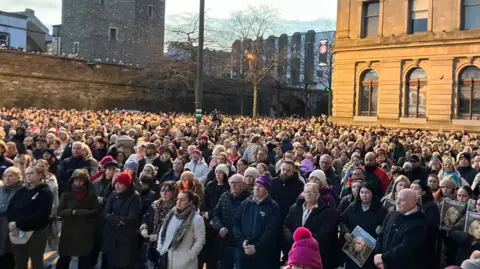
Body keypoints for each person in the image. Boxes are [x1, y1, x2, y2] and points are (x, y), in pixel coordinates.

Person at [7, 166, 53, 269]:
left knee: (36, 261)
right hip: (18, 231)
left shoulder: (45, 192)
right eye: (26, 174)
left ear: (40, 175)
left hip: (36, 232)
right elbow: (11, 208)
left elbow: (41, 215)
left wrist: (18, 223)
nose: (28, 176)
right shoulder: (22, 190)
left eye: (31, 173)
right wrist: (12, 223)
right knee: (19, 261)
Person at [284, 182, 338, 269]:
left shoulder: (326, 211)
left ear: (318, 195)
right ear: (303, 194)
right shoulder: (295, 208)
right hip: (296, 251)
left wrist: (306, 241)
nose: (309, 193)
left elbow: (325, 232)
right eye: (306, 191)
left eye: (313, 191)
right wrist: (292, 238)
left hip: (315, 254)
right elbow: (286, 225)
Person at [56, 169, 101, 269]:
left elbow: (96, 210)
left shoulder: (91, 195)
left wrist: (81, 212)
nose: (78, 183)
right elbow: (59, 211)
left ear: (85, 182)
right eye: (76, 180)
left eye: (81, 180)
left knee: (84, 257)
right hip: (69, 229)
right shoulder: (66, 194)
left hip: (85, 229)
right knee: (64, 256)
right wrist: (72, 212)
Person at [233, 175, 280, 269]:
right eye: (255, 185)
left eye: (261, 186)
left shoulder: (273, 206)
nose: (257, 188)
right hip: (243, 251)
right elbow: (235, 224)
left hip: (262, 254)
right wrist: (242, 241)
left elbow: (270, 230)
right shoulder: (245, 203)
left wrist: (256, 246)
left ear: (267, 189)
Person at [374, 189, 427, 269]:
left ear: (412, 203)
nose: (397, 202)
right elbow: (381, 234)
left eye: (401, 200)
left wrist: (383, 257)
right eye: (397, 198)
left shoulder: (419, 223)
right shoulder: (392, 214)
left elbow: (406, 248)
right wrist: (378, 256)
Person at [341, 182, 387, 269]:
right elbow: (342, 220)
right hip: (353, 247)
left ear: (372, 194)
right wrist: (345, 232)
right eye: (362, 192)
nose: (364, 195)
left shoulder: (380, 210)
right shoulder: (352, 207)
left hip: (371, 249)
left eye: (367, 193)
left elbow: (385, 228)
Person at [156, 190, 206, 269]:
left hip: (186, 264)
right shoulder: (171, 215)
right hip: (167, 261)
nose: (179, 202)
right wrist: (160, 248)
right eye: (178, 199)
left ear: (190, 202)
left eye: (182, 200)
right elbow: (162, 231)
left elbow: (200, 240)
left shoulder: (196, 219)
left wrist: (190, 255)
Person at [103, 171, 141, 269]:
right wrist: (117, 220)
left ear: (127, 184)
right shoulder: (113, 194)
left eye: (120, 183)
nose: (117, 185)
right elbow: (106, 212)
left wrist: (114, 218)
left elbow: (131, 218)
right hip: (112, 234)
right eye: (116, 183)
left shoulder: (135, 197)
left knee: (124, 263)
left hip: (126, 238)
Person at [270, 160, 305, 266]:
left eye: (288, 170)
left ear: (293, 171)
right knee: (273, 251)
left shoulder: (299, 185)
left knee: (289, 252)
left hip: (290, 224)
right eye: (283, 169)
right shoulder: (273, 182)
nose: (285, 172)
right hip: (274, 221)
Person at [212, 174, 250, 269]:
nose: (233, 185)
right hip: (225, 241)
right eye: (231, 183)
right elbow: (215, 214)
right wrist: (220, 227)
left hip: (240, 243)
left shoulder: (249, 200)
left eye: (236, 183)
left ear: (243, 184)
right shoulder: (225, 196)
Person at [140, 181, 178, 268]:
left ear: (173, 193)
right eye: (162, 190)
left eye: (167, 191)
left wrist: (160, 236)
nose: (164, 193)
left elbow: (175, 228)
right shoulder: (154, 204)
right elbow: (145, 218)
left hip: (166, 246)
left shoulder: (176, 209)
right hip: (151, 243)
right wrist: (144, 229)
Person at [410, 180, 441, 269]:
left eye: (416, 188)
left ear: (423, 192)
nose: (412, 190)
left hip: (425, 244)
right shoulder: (408, 203)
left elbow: (432, 225)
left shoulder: (431, 206)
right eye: (411, 188)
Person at [0, 167, 23, 269]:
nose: (7, 178)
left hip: (13, 225)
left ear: (18, 177)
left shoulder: (22, 190)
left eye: (10, 176)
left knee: (11, 252)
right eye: (5, 176)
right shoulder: (1, 189)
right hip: (1, 224)